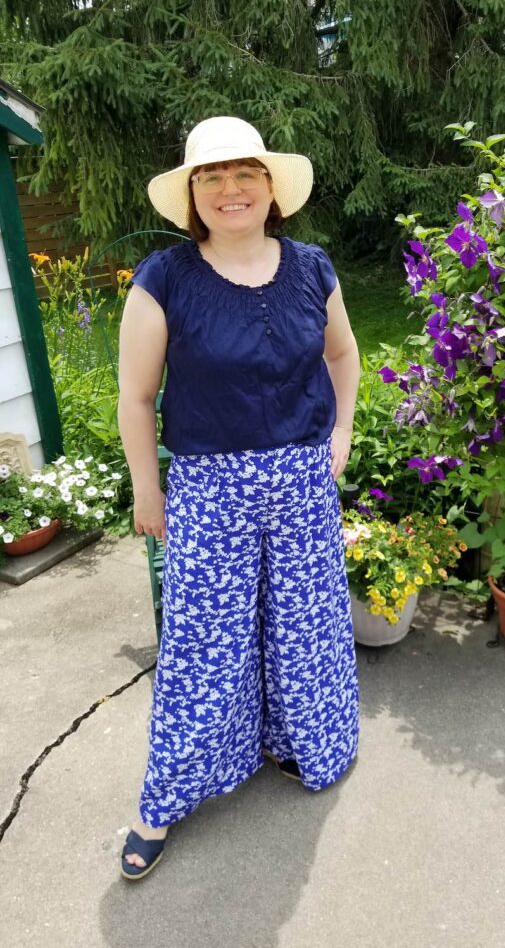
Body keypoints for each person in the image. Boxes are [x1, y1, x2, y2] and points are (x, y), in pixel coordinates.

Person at [117, 116, 361, 879]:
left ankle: (303, 742)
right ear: (193, 194)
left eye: (244, 173)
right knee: (204, 644)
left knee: (305, 621)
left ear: (269, 187)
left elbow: (344, 351)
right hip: (208, 488)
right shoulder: (165, 278)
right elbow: (136, 395)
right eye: (211, 177)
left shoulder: (313, 266)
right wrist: (146, 490)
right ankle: (162, 801)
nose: (230, 189)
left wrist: (343, 432)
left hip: (300, 483)